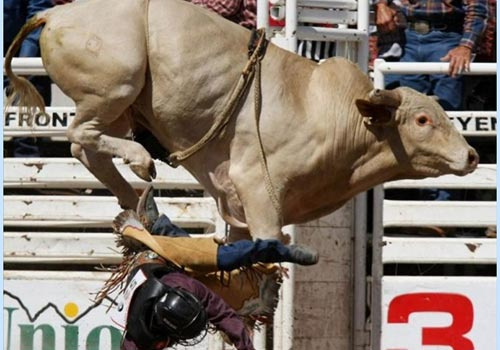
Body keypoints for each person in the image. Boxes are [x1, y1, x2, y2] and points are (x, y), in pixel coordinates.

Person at [104, 185, 319, 350]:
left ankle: (281, 251)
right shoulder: (140, 333)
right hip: (159, 282)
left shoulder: (190, 288)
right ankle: (159, 227)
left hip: (159, 258)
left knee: (226, 258)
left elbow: (225, 316)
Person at [375, 0, 488, 111]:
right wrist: (381, 4)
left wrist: (465, 46)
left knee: (447, 105)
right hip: (406, 37)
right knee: (404, 107)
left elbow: (477, 10)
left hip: (448, 37)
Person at [4, 0, 54, 157]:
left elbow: (37, 13)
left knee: (28, 105)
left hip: (19, 47)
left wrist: (25, 58)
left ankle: (28, 163)